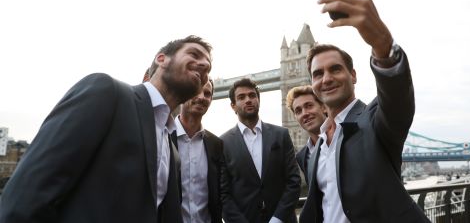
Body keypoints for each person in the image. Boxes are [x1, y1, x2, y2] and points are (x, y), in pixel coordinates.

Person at [0, 35, 212, 223]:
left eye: (208, 67)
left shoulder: (172, 149)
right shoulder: (107, 92)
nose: (203, 65)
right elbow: (28, 193)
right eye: (194, 54)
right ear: (161, 59)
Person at [299, 0, 430, 222]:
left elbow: (397, 97)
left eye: (335, 69)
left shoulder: (375, 122)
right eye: (318, 74)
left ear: (353, 75)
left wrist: (382, 43)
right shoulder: (316, 146)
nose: (326, 78)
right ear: (313, 84)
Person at [220, 78, 300, 223]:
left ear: (258, 100)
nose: (248, 100)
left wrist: (278, 219)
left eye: (252, 95)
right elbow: (223, 194)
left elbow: (294, 181)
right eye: (241, 97)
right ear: (233, 106)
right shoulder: (222, 143)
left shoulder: (281, 135)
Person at [171, 79, 224, 223]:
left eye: (207, 94)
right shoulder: (162, 137)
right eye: (195, 91)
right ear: (182, 94)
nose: (201, 97)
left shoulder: (216, 144)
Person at [285, 85, 326, 186]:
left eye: (309, 106)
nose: (304, 113)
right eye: (298, 111)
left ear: (324, 107)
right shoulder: (302, 157)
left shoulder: (345, 136)